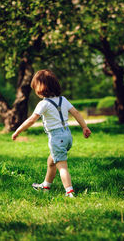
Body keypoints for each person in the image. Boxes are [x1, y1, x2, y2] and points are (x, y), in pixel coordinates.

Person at [12, 69, 91, 198]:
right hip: (67, 136)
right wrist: (84, 127)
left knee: (62, 166)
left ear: (40, 89)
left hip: (56, 137)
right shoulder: (63, 100)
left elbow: (31, 119)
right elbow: (75, 112)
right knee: (51, 161)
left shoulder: (43, 104)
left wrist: (18, 131)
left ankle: (69, 192)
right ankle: (46, 185)